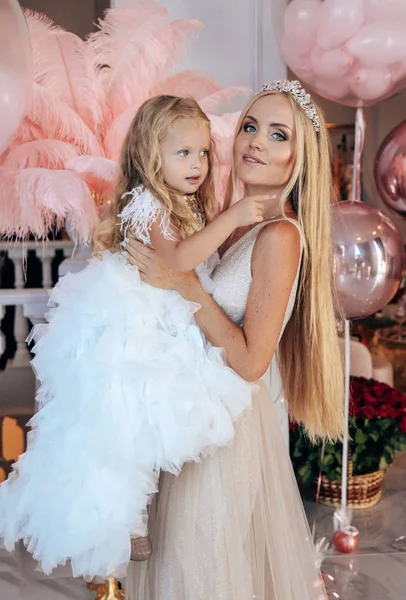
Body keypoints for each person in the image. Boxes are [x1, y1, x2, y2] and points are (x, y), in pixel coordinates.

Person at [0, 96, 268, 580]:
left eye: (205, 153)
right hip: (136, 323)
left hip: (168, 318)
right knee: (130, 420)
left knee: (147, 422)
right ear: (151, 155)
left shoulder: (180, 202)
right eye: (183, 153)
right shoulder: (147, 203)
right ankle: (128, 521)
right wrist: (233, 218)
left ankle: (136, 515)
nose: (198, 164)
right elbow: (180, 260)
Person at [124, 80, 344, 600]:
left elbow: (249, 361)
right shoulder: (232, 224)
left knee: (203, 572)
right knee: (179, 568)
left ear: (299, 158)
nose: (256, 142)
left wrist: (184, 281)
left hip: (229, 436)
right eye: (250, 126)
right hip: (194, 419)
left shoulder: (280, 235)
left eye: (277, 135)